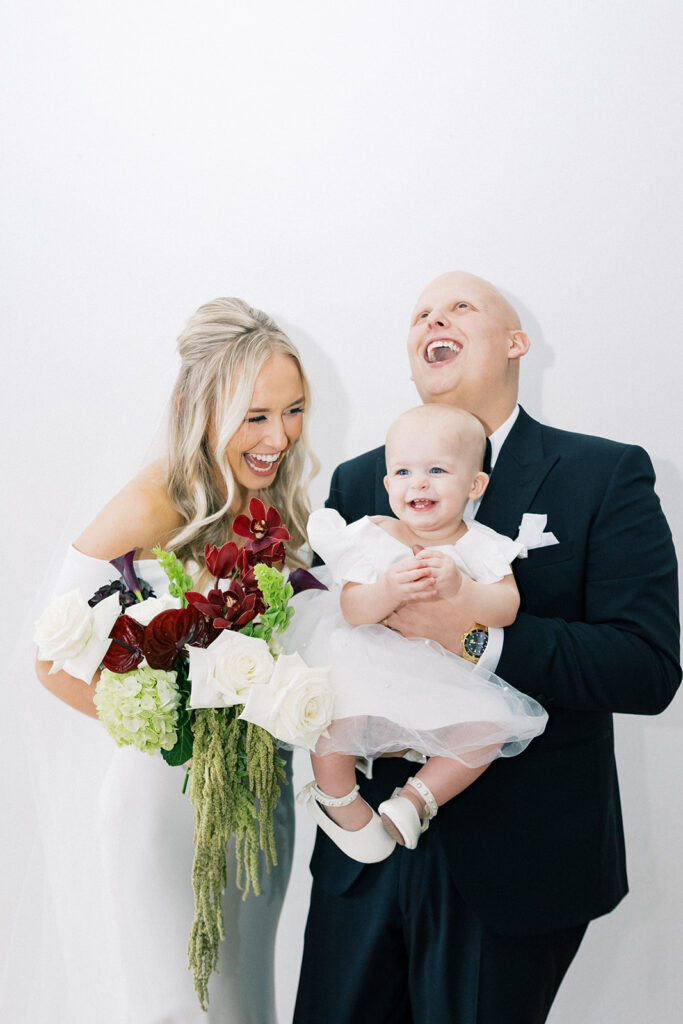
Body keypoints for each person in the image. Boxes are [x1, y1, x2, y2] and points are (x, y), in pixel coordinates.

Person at [293, 272, 681, 1024]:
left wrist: (471, 636)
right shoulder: (358, 481)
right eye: (420, 315)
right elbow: (319, 635)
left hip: (518, 865)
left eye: (460, 307)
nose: (433, 320)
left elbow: (645, 669)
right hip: (360, 856)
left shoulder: (603, 474)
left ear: (515, 344)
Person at [35, 297, 318, 1024]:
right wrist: (181, 731)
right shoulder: (152, 501)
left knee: (245, 1001)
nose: (279, 437)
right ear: (200, 408)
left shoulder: (275, 501)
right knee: (176, 1003)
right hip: (169, 800)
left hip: (260, 793)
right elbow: (52, 660)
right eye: (255, 417)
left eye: (292, 411)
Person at [290, 404, 550, 860]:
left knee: (491, 725)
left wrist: (461, 588)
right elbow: (352, 609)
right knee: (333, 705)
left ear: (474, 485)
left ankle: (414, 801)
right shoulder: (375, 533)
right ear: (388, 485)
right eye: (404, 472)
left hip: (440, 677)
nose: (419, 483)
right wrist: (387, 590)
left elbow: (505, 607)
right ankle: (337, 796)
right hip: (370, 666)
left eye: (437, 470)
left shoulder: (481, 545)